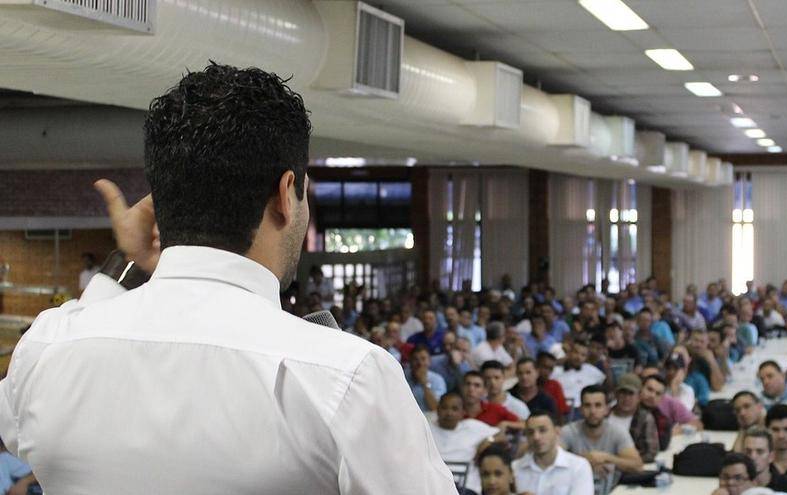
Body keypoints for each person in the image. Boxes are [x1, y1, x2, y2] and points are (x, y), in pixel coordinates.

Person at [0, 63, 454, 493]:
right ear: (286, 194)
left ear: (164, 195)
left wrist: (126, 264)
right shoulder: (346, 377)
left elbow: (16, 424)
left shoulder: (47, 349)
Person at [560, 385, 644, 480]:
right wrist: (586, 461)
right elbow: (550, 460)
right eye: (587, 405)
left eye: (598, 405)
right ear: (581, 409)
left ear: (606, 409)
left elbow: (637, 466)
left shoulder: (617, 432)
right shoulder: (568, 431)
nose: (593, 411)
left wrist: (606, 458)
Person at [430, 393, 499, 494]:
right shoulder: (427, 427)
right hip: (433, 486)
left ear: (463, 412)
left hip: (466, 488)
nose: (449, 413)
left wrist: (489, 440)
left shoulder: (472, 427)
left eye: (454, 409)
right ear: (437, 409)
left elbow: (501, 435)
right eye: (444, 408)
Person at [513, 411, 594, 495]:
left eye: (542, 430)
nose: (536, 437)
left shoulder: (578, 466)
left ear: (557, 431)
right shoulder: (515, 468)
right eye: (530, 432)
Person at [608, 374, 659, 462]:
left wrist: (620, 461)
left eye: (631, 394)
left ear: (639, 397)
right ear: (616, 395)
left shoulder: (645, 418)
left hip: (631, 467)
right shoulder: (604, 415)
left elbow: (650, 452)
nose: (626, 398)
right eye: (623, 393)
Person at [742, 427, 787, 495]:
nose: (753, 457)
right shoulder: (736, 485)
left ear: (771, 456)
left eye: (760, 452)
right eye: (748, 452)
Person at [551, 339, 606, 409]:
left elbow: (606, 383)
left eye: (583, 355)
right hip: (562, 409)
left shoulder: (591, 370)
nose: (578, 357)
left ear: (586, 358)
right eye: (576, 352)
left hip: (584, 409)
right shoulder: (555, 371)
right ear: (569, 352)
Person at [407, 345, 448, 412]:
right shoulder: (403, 377)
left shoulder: (438, 380)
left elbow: (436, 407)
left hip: (430, 415)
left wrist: (424, 384)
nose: (420, 363)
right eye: (415, 359)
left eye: (423, 359)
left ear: (429, 361)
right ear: (410, 361)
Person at [536, 351, 571, 417]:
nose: (547, 372)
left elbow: (561, 413)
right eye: (545, 367)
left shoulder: (555, 385)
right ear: (536, 365)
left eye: (550, 369)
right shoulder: (525, 384)